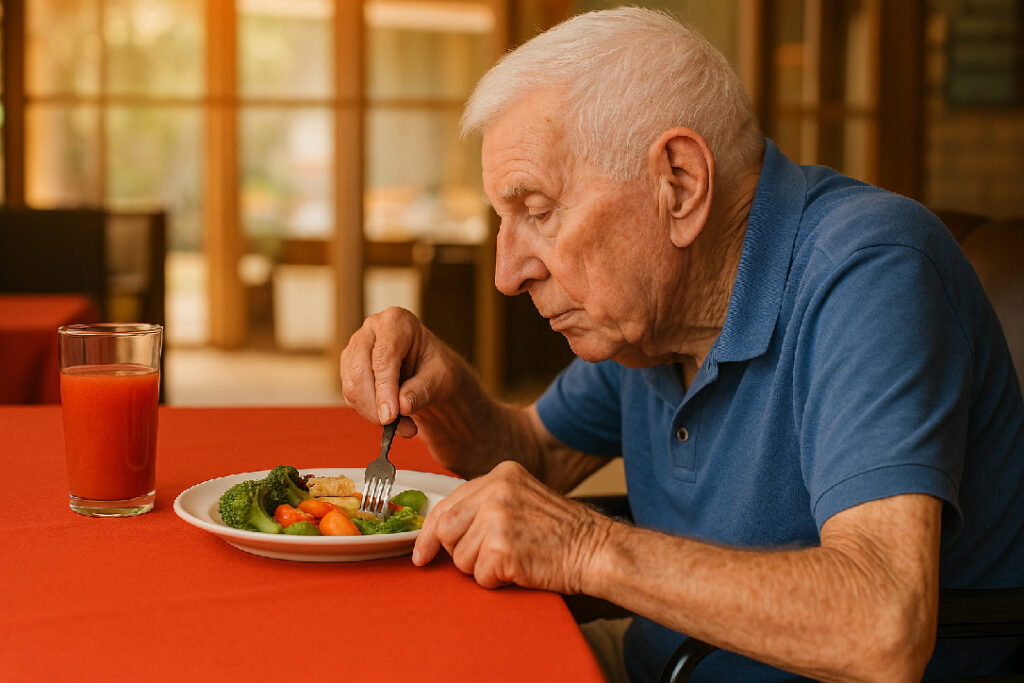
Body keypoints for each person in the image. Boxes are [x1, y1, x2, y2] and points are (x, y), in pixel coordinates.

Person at [340, 7, 1024, 682]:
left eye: (539, 212)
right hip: (664, 659)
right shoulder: (650, 321)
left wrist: (583, 547)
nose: (506, 273)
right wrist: (446, 392)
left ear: (681, 184)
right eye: (504, 220)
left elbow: (883, 624)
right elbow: (533, 454)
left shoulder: (871, 270)